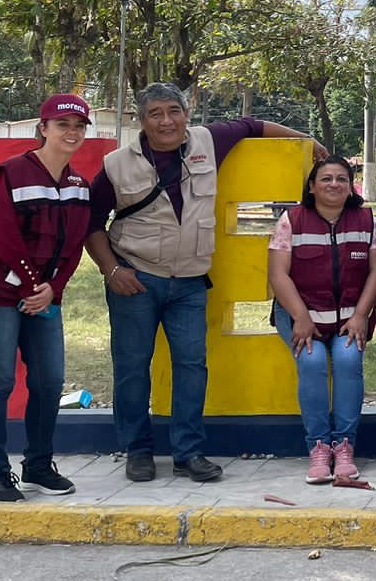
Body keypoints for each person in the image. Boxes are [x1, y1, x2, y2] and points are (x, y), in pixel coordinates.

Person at [84, 81, 327, 484]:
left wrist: (307, 140)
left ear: (186, 113)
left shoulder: (208, 141)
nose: (166, 121)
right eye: (155, 114)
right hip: (136, 278)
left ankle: (188, 453)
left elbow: (253, 126)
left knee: (192, 367)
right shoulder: (116, 165)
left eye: (173, 111)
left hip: (190, 282)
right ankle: (138, 450)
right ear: (141, 120)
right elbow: (91, 223)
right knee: (131, 368)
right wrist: (111, 270)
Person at [0, 94, 94, 503]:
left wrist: (53, 289)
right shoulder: (9, 173)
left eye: (79, 126)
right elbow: (3, 237)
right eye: (62, 125)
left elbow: (75, 244)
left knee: (49, 380)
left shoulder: (79, 186)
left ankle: (38, 465)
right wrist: (32, 287)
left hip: (42, 294)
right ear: (43, 128)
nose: (71, 133)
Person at [268, 155, 376, 484]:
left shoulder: (367, 221)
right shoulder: (292, 220)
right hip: (301, 316)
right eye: (326, 178)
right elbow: (278, 274)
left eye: (341, 179)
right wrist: (300, 317)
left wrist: (361, 315)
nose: (334, 184)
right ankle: (318, 447)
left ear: (351, 187)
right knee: (312, 361)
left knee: (348, 360)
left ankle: (344, 446)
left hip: (351, 318)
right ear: (311, 186)